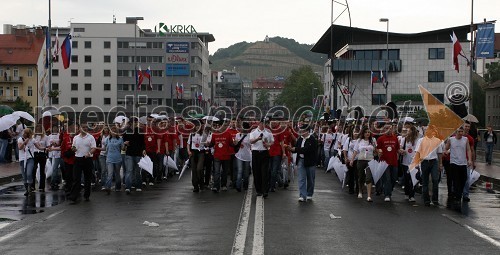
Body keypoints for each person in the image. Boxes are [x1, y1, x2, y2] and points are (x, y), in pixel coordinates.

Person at [412, 125, 443, 206]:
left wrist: (440, 164)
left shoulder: (437, 141)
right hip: (424, 161)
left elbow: (439, 153)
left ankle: (435, 199)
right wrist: (416, 163)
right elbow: (417, 152)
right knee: (425, 181)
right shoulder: (421, 140)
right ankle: (426, 200)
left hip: (434, 161)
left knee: (435, 180)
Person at [286, 124, 318, 202]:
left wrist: (295, 149)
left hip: (310, 161)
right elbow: (296, 146)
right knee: (301, 178)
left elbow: (306, 149)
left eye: (302, 131)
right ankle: (302, 195)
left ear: (307, 131)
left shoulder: (312, 140)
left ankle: (309, 194)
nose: (300, 132)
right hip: (301, 159)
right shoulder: (300, 139)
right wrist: (290, 148)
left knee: (310, 179)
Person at [68, 123, 96, 203]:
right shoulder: (76, 137)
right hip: (78, 159)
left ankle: (86, 195)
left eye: (86, 127)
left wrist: (89, 153)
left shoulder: (90, 137)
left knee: (87, 178)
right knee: (76, 178)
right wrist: (73, 149)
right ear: (80, 128)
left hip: (87, 159)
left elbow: (94, 148)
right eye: (83, 127)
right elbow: (73, 147)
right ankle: (73, 197)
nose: (85, 128)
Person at [445, 127, 472, 205]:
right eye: (459, 131)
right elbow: (446, 148)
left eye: (462, 131)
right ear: (456, 132)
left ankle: (458, 193)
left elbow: (468, 150)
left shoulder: (465, 140)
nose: (460, 133)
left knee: (463, 179)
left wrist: (469, 160)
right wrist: (446, 152)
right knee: (456, 180)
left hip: (463, 162)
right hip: (454, 163)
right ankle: (458, 197)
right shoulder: (451, 139)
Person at [350, 127, 377, 202]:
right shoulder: (359, 141)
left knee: (368, 178)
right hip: (361, 160)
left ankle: (369, 196)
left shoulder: (373, 140)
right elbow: (355, 151)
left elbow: (375, 151)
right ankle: (360, 191)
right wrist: (352, 160)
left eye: (369, 132)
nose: (367, 133)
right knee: (361, 177)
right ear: (363, 133)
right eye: (366, 132)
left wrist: (378, 152)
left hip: (370, 160)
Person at [249, 118, 274, 198]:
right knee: (256, 172)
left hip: (264, 152)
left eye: (264, 123)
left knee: (264, 172)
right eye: (261, 123)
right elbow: (251, 141)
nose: (262, 124)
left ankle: (265, 191)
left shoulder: (268, 132)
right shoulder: (253, 131)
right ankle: (258, 190)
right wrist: (257, 139)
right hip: (256, 153)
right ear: (258, 123)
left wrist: (268, 145)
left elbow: (272, 141)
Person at [377, 123, 400, 202]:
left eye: (390, 128)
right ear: (384, 129)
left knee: (394, 178)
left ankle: (388, 190)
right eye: (386, 128)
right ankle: (387, 194)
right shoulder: (380, 138)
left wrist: (402, 151)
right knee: (387, 178)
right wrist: (378, 151)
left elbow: (397, 149)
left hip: (394, 162)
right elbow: (377, 149)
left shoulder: (395, 138)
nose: (388, 130)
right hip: (384, 162)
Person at [123, 119, 145, 194]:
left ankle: (138, 185)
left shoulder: (140, 130)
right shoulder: (126, 131)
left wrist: (143, 150)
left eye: (136, 122)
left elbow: (143, 142)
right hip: (129, 153)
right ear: (130, 123)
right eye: (134, 122)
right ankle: (128, 187)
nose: (135, 123)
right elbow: (124, 141)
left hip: (138, 153)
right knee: (129, 170)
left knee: (137, 171)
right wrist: (125, 143)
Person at [399, 125, 418, 203]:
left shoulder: (417, 140)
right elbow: (400, 148)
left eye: (409, 131)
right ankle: (407, 193)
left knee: (413, 179)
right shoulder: (404, 139)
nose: (407, 132)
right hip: (405, 162)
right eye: (407, 131)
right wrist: (402, 151)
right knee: (407, 179)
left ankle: (412, 195)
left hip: (414, 162)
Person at [103, 126, 124, 193]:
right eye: (112, 131)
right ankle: (108, 187)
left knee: (117, 174)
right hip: (109, 159)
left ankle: (118, 187)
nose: (113, 133)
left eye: (115, 131)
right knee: (110, 174)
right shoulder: (108, 139)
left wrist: (125, 145)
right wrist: (96, 148)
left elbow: (123, 149)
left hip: (118, 159)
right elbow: (105, 149)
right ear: (110, 132)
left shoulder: (120, 139)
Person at [187, 122, 206, 192]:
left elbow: (206, 145)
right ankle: (195, 186)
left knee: (199, 169)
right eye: (197, 126)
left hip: (201, 153)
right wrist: (189, 151)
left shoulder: (203, 134)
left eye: (199, 126)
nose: (198, 127)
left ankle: (201, 183)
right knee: (194, 170)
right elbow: (188, 144)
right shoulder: (192, 134)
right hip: (193, 153)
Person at [234, 122, 252, 192]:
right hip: (239, 155)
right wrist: (236, 142)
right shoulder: (238, 135)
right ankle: (238, 186)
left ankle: (245, 185)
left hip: (247, 156)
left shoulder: (250, 135)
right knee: (240, 171)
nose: (242, 129)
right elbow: (235, 143)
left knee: (246, 172)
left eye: (243, 127)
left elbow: (251, 144)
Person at [18, 128, 35, 196]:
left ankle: (29, 187)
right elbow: (20, 148)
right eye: (24, 133)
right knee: (24, 176)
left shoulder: (32, 140)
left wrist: (46, 148)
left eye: (26, 133)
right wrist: (25, 142)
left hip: (30, 158)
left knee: (29, 173)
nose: (24, 134)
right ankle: (26, 189)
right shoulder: (20, 139)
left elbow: (39, 147)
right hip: (22, 159)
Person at [32, 125, 49, 192]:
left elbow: (47, 146)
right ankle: (32, 186)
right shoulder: (33, 137)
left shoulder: (45, 137)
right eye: (37, 129)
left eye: (39, 129)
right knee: (34, 169)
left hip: (42, 153)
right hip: (35, 153)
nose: (38, 130)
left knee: (42, 170)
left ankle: (42, 186)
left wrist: (46, 149)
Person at [47, 126, 62, 191]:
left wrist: (54, 143)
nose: (54, 129)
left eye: (56, 128)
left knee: (55, 168)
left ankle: (53, 182)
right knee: (54, 168)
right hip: (51, 154)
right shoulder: (49, 136)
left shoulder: (59, 135)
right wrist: (50, 145)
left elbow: (60, 144)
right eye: (53, 128)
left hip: (58, 153)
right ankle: (57, 181)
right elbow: (47, 145)